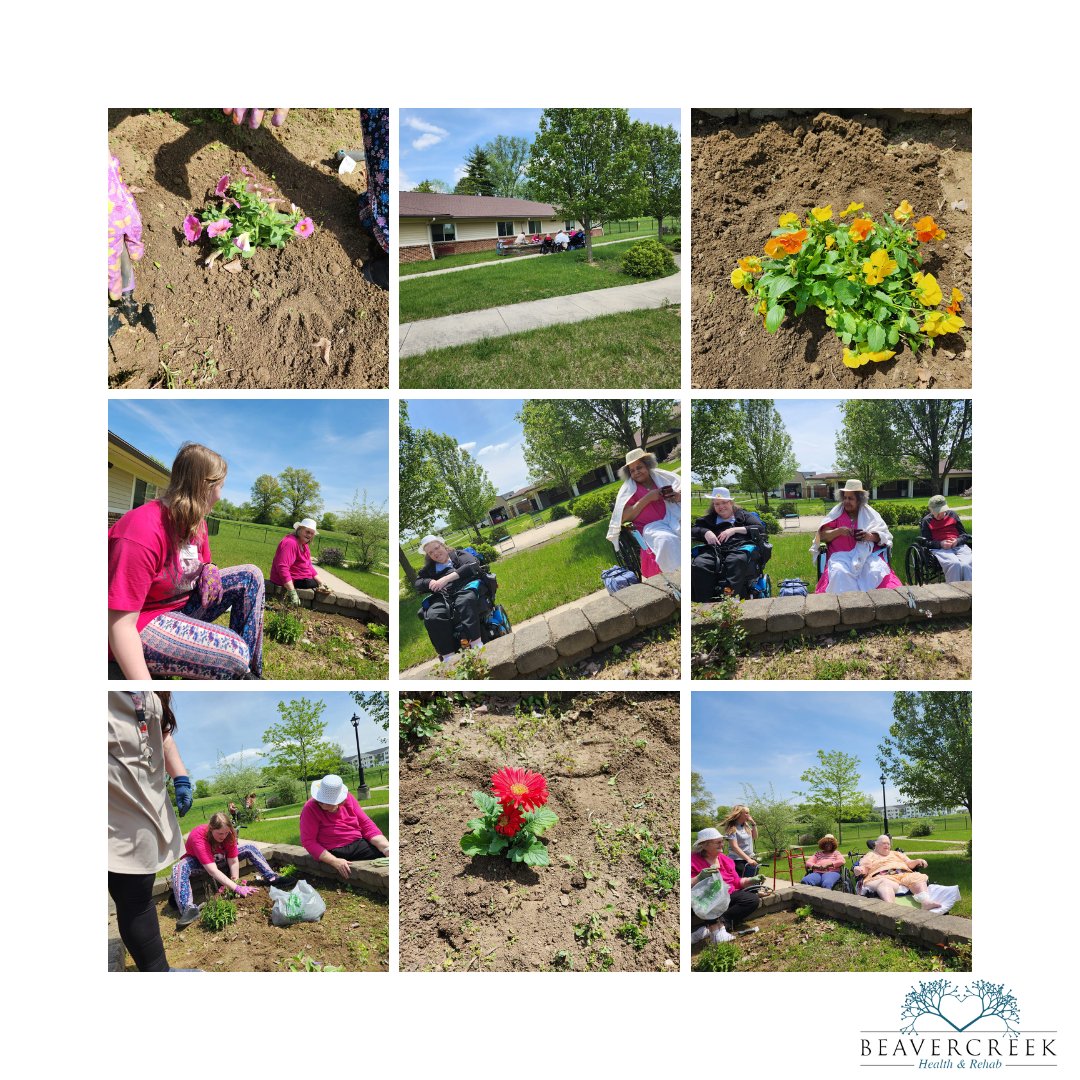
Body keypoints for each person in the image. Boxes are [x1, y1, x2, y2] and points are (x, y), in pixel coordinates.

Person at [108, 442, 265, 679]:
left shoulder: (195, 522)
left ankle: (251, 676)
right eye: (220, 486)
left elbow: (202, 562)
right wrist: (149, 693)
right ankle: (238, 670)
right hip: (142, 621)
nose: (220, 496)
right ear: (202, 485)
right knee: (234, 653)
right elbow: (119, 624)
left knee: (251, 576)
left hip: (180, 607)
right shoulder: (141, 531)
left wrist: (210, 568)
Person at [108, 690, 193, 971]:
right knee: (131, 888)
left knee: (137, 888)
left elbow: (162, 732)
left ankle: (158, 971)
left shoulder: (149, 688)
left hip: (146, 793)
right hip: (114, 796)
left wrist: (180, 776)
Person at [170, 812, 291, 927]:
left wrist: (235, 882)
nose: (223, 836)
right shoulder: (199, 836)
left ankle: (272, 878)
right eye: (220, 834)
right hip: (200, 865)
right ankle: (188, 909)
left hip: (221, 860)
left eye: (226, 833)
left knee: (250, 847)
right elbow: (212, 870)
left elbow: (233, 860)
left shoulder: (230, 833)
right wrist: (237, 888)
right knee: (179, 867)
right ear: (211, 828)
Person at [812, 479, 902, 594]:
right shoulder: (836, 514)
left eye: (851, 498)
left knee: (874, 572)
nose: (846, 501)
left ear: (859, 500)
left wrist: (869, 536)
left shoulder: (870, 514)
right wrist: (838, 531)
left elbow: (884, 536)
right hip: (840, 556)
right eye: (844, 497)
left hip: (867, 555)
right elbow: (823, 536)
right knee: (839, 574)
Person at [300, 774, 390, 879]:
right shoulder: (310, 808)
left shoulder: (348, 798)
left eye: (329, 803)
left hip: (358, 843)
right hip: (333, 849)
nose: (323, 805)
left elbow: (366, 824)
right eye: (321, 802)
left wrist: (386, 847)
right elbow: (308, 841)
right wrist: (334, 861)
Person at [607, 449, 682, 573]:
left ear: (647, 465)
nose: (636, 472)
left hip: (673, 518)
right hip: (651, 528)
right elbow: (623, 517)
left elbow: (683, 491)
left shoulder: (663, 478)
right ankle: (677, 575)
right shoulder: (629, 489)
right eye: (632, 470)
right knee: (666, 540)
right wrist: (648, 498)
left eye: (639, 467)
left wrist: (678, 496)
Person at [414, 535, 484, 661]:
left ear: (443, 545)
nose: (435, 553)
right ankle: (448, 656)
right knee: (432, 614)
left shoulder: (459, 555)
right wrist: (430, 582)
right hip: (444, 596)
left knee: (464, 601)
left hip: (465, 587)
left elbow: (472, 564)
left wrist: (445, 579)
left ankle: (476, 643)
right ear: (428, 555)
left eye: (436, 548)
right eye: (431, 552)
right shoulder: (430, 568)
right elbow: (418, 583)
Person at [690, 487, 767, 601]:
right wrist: (705, 532)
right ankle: (703, 602)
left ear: (731, 503)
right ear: (713, 505)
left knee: (735, 561)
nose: (721, 507)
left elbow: (760, 528)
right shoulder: (709, 520)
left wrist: (734, 530)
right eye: (717, 504)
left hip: (738, 548)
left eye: (724, 502)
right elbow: (693, 529)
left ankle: (730, 598)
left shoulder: (743, 516)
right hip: (714, 550)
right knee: (700, 563)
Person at [690, 828, 762, 944]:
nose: (722, 844)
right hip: (704, 899)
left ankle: (714, 928)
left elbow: (737, 882)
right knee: (712, 894)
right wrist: (699, 878)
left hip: (727, 895)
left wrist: (751, 880)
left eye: (722, 841)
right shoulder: (691, 861)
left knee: (752, 900)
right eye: (717, 842)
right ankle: (716, 932)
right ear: (704, 845)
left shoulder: (725, 860)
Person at [855, 835, 941, 909]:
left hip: (904, 873)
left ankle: (926, 902)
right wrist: (859, 869)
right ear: (876, 845)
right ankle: (891, 908)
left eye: (888, 843)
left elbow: (909, 863)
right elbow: (864, 868)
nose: (887, 845)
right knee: (885, 883)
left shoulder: (896, 853)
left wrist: (918, 861)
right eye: (884, 843)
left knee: (917, 877)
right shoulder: (871, 855)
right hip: (883, 876)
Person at [271, 518, 329, 604]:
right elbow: (282, 567)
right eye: (307, 531)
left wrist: (321, 583)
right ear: (299, 529)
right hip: (286, 580)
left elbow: (309, 565)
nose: (309, 535)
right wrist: (292, 592)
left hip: (300, 579)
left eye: (312, 533)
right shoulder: (291, 543)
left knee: (313, 582)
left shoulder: (304, 545)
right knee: (310, 583)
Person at [920, 495, 972, 582]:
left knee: (966, 565)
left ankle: (969, 591)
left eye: (942, 511)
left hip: (959, 546)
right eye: (937, 512)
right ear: (931, 510)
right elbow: (926, 542)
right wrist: (941, 544)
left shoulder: (953, 515)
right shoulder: (926, 521)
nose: (940, 514)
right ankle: (954, 591)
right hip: (941, 549)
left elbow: (964, 535)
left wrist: (957, 541)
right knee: (954, 564)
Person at [720, 805, 761, 876]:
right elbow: (734, 847)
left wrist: (753, 823)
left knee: (753, 883)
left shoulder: (746, 825)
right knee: (742, 884)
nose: (749, 815)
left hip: (750, 858)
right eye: (746, 813)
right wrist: (748, 859)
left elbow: (755, 836)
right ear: (739, 814)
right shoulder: (732, 828)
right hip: (738, 860)